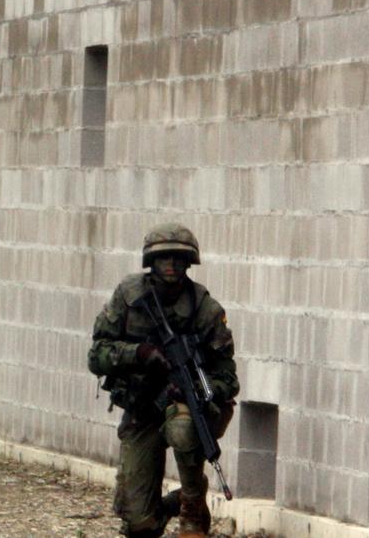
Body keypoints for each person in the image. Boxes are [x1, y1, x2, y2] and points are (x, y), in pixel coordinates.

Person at [87, 224, 239, 538]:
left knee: (184, 427)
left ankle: (193, 507)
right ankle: (177, 499)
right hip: (141, 408)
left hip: (183, 407)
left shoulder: (204, 309)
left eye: (178, 258)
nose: (170, 264)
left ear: (188, 263)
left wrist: (198, 389)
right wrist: (139, 353)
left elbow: (228, 378)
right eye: (163, 257)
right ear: (151, 262)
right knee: (140, 525)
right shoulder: (129, 297)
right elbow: (96, 356)